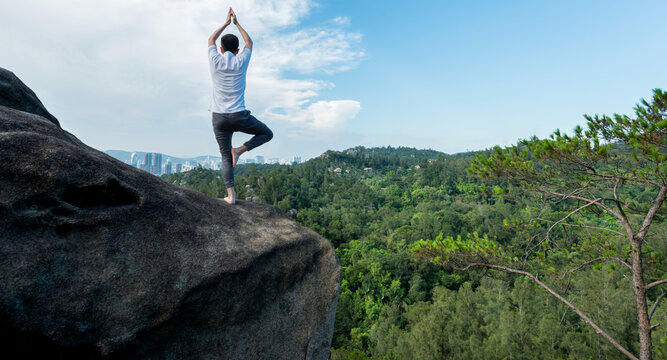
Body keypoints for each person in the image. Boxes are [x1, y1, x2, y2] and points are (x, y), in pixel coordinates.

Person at [208, 7, 273, 205]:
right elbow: (249, 42)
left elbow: (210, 40)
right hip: (239, 115)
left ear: (221, 49)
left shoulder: (215, 60)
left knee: (224, 157)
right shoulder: (241, 61)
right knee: (267, 134)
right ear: (237, 51)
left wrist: (226, 23)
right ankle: (240, 150)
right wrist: (236, 23)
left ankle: (230, 197)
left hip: (219, 117)